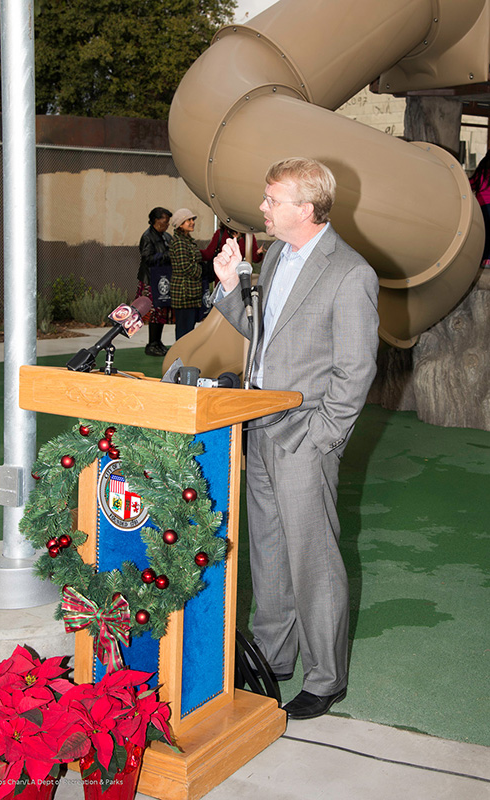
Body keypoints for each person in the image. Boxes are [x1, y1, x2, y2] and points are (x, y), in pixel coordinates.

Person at [213, 157, 379, 720]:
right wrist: (231, 287)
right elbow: (262, 335)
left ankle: (326, 678)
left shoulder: (350, 272)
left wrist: (322, 438)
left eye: (272, 200)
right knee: (268, 552)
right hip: (259, 426)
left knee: (314, 559)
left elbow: (355, 371)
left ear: (306, 209)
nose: (263, 207)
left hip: (305, 436)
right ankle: (273, 657)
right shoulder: (278, 255)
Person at [136, 206, 173, 356]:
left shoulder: (166, 236)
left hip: (163, 279)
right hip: (151, 279)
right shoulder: (147, 236)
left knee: (161, 311)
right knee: (154, 312)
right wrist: (166, 256)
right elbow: (147, 257)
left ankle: (158, 341)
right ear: (156, 220)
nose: (167, 224)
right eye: (165, 221)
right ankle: (152, 343)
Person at [169, 208, 203, 340]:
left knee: (189, 329)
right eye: (188, 220)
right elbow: (185, 267)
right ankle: (181, 353)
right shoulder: (179, 242)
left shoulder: (186, 240)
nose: (192, 222)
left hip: (190, 292)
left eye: (192, 219)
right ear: (180, 224)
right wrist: (202, 271)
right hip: (184, 294)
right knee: (184, 331)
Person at [201, 221, 265, 270]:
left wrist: (258, 253)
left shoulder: (248, 235)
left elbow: (255, 259)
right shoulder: (220, 234)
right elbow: (208, 254)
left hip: (239, 275)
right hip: (223, 275)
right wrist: (195, 252)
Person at [470, 152, 490, 267]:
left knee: (484, 233)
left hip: (482, 205)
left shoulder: (481, 172)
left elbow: (471, 184)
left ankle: (484, 258)